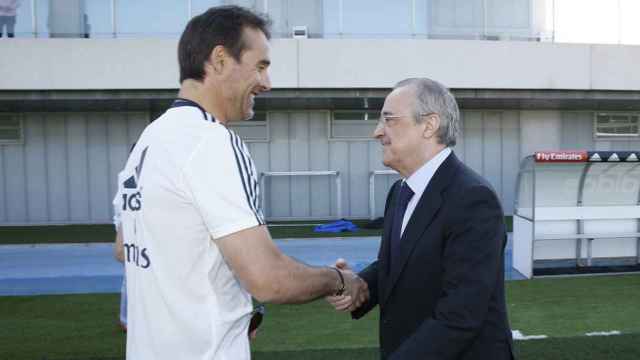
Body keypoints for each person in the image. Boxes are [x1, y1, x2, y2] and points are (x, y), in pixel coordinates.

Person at [115, 6, 368, 360]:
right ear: (220, 59)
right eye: (260, 66)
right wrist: (339, 280)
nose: (267, 83)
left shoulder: (149, 140)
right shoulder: (211, 141)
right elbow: (268, 278)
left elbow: (125, 247)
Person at [328, 78, 514, 359]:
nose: (377, 132)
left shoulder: (473, 199)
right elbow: (399, 263)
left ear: (429, 125)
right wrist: (360, 285)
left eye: (389, 120)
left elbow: (460, 315)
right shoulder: (400, 191)